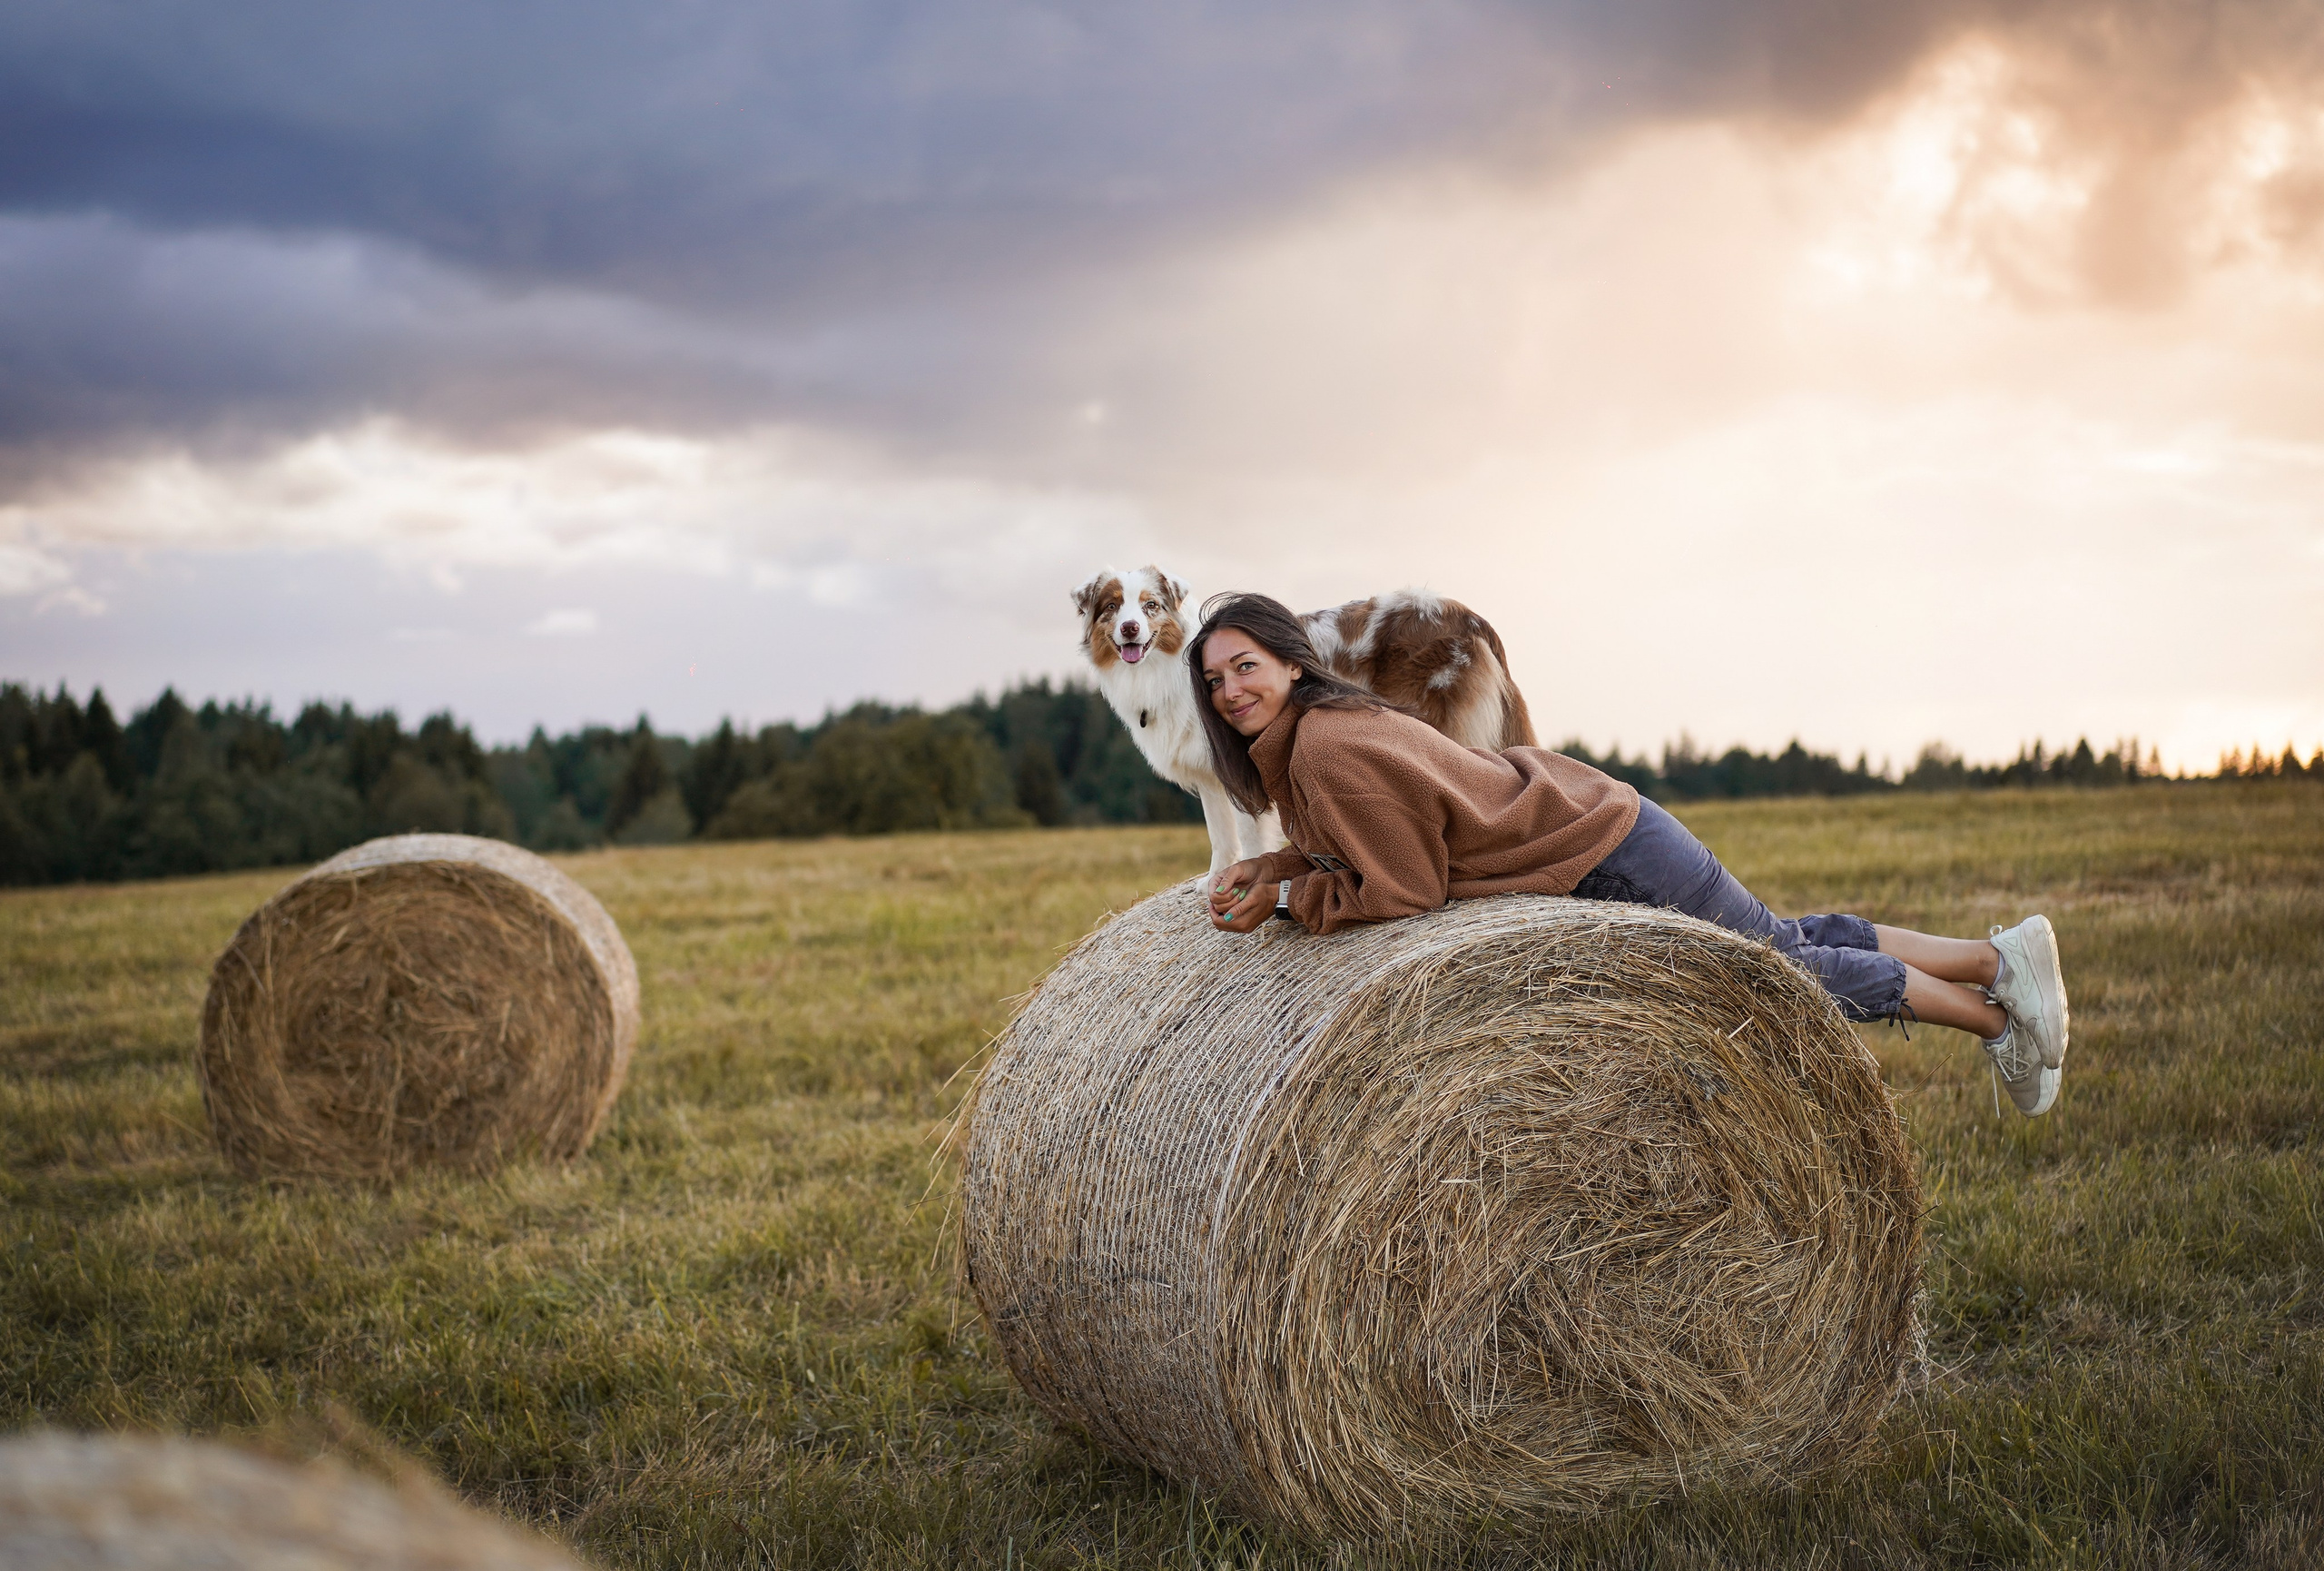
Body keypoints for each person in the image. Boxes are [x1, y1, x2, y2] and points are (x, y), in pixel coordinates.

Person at [1191, 593, 2071, 1116]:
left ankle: (1999, 1015)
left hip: (1594, 848)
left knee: (1776, 969)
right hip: (1592, 822)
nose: (1230, 689)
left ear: (1292, 664)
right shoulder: (1317, 738)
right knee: (1782, 941)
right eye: (1215, 679)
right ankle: (1997, 957)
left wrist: (1283, 902)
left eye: (1245, 666)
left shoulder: (1322, 748)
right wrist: (1272, 869)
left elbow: (1404, 886)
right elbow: (1354, 843)